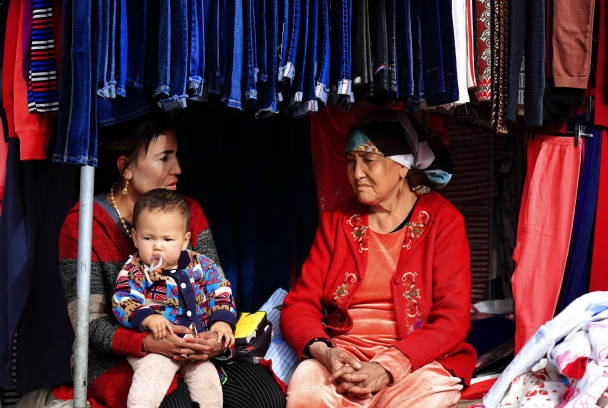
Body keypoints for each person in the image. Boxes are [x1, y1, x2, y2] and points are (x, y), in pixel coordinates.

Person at [59, 114, 286, 408]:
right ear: (125, 167)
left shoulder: (188, 210)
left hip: (194, 345)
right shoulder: (86, 224)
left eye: (176, 156)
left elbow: (214, 285)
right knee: (173, 404)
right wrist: (147, 342)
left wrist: (214, 335)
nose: (177, 169)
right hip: (118, 355)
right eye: (164, 158)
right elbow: (90, 325)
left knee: (263, 397)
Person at [280, 110, 477, 407]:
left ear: (402, 166)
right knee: (307, 389)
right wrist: (325, 352)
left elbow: (452, 319)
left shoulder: (444, 220)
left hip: (417, 362)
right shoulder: (337, 221)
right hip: (343, 358)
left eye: (368, 160)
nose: (356, 173)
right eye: (350, 161)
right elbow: (299, 304)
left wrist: (387, 367)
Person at [112, 188, 236, 408]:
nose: (158, 246)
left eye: (168, 239)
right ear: (135, 236)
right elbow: (122, 299)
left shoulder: (201, 265)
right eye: (148, 238)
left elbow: (221, 290)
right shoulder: (136, 270)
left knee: (209, 387)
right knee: (147, 386)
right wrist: (147, 318)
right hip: (156, 348)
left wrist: (221, 322)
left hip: (196, 349)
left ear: (185, 240)